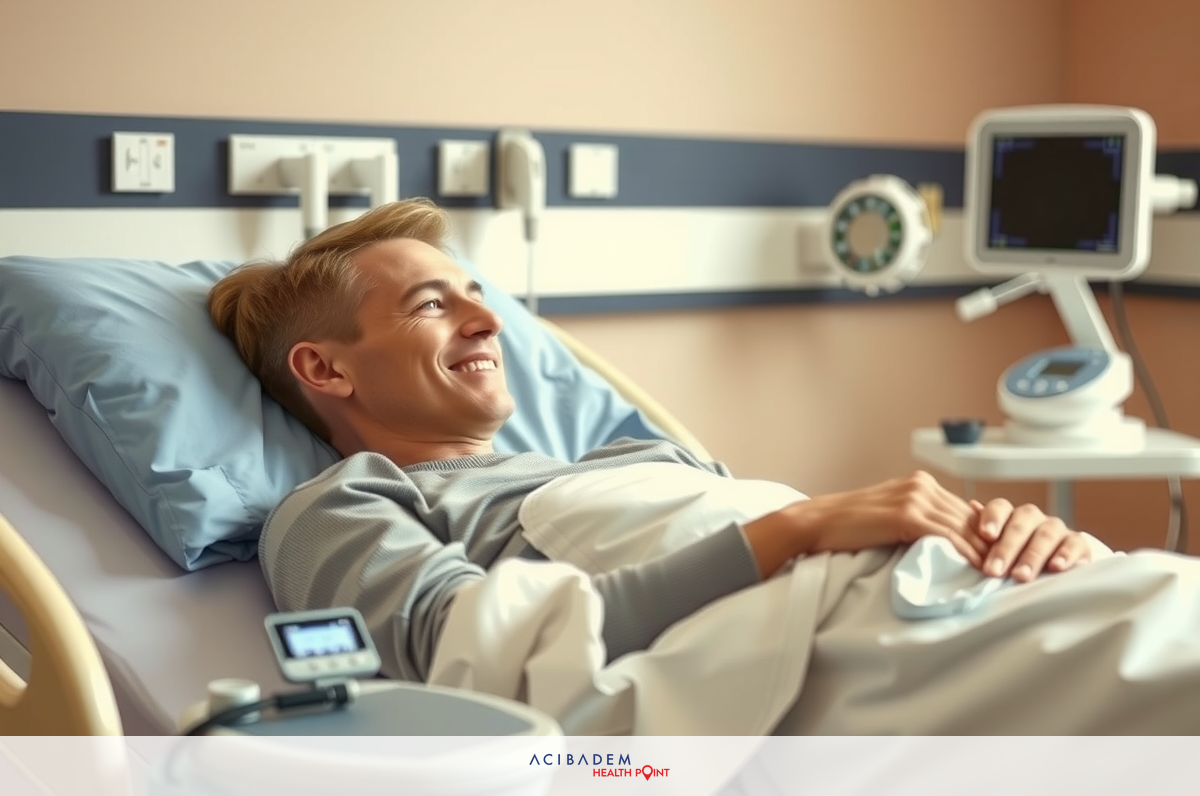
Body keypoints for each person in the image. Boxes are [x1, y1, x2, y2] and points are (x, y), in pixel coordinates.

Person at [209, 198, 1200, 734]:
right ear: (324, 366)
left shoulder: (627, 453)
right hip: (818, 652)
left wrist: (1026, 538)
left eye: (478, 294)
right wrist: (799, 527)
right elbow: (462, 658)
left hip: (946, 586)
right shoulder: (339, 504)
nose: (487, 319)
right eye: (433, 304)